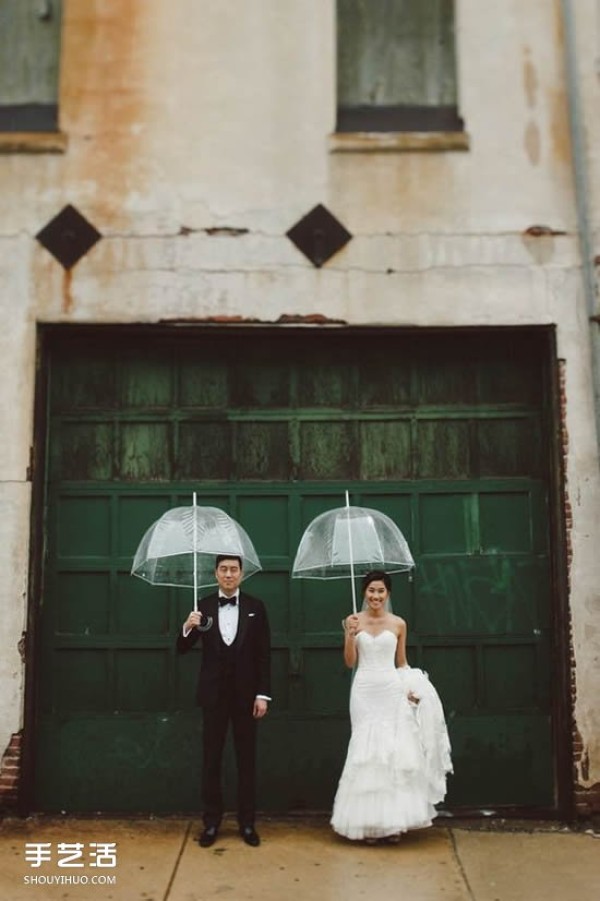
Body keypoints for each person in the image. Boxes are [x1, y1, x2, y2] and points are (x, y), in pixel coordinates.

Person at [330, 570, 452, 843]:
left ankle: (392, 824)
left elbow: (402, 662)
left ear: (388, 594)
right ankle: (368, 825)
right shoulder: (353, 621)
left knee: (391, 751)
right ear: (364, 592)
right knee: (365, 750)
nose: (375, 596)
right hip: (363, 691)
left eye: (380, 591)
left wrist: (411, 687)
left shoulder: (398, 624)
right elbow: (350, 662)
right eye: (371, 590)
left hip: (390, 690)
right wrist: (349, 635)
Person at [177, 555, 271, 848]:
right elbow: (182, 648)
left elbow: (264, 654)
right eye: (223, 570)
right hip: (214, 696)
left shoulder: (256, 607)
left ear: (241, 574)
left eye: (233, 570)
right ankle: (211, 823)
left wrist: (262, 694)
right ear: (216, 574)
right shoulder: (202, 606)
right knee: (212, 760)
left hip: (246, 697)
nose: (229, 575)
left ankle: (247, 824)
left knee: (247, 761)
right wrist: (188, 626)